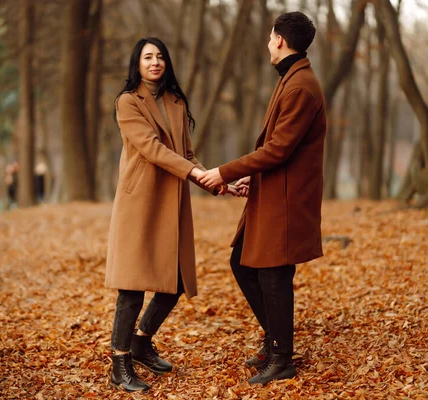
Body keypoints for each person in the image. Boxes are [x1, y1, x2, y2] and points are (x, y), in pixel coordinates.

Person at [199, 12, 326, 385]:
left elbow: (278, 150)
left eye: (271, 38)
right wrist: (252, 182)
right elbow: (280, 151)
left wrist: (225, 171)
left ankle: (282, 358)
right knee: (242, 262)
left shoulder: (301, 86)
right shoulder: (292, 79)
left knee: (274, 278)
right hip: (272, 194)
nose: (268, 44)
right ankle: (275, 342)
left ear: (280, 41)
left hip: (287, 202)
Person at [105, 37, 229, 393]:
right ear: (137, 64)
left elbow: (186, 154)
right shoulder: (127, 102)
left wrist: (216, 182)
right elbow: (151, 148)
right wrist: (193, 174)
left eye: (160, 56)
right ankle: (120, 363)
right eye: (148, 57)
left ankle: (141, 342)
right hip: (140, 203)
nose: (155, 62)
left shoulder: (176, 100)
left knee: (173, 282)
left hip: (172, 202)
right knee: (131, 288)